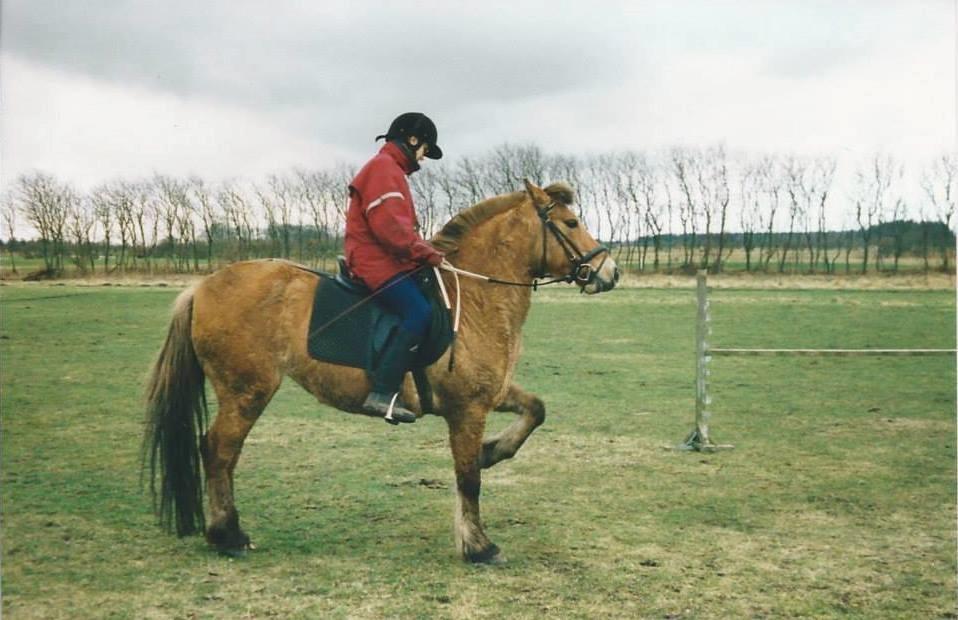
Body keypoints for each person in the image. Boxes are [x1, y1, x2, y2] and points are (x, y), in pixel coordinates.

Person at [344, 113, 445, 424]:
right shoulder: (384, 169)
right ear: (412, 140)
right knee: (418, 311)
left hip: (387, 259)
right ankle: (382, 392)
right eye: (425, 150)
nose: (423, 158)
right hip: (375, 261)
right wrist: (427, 254)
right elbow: (392, 230)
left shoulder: (391, 170)